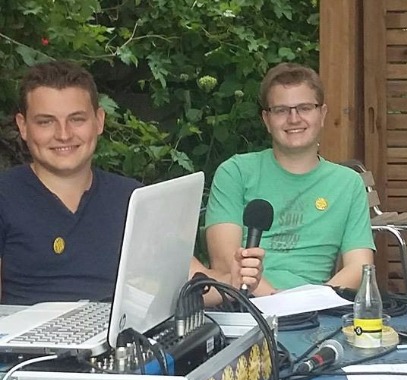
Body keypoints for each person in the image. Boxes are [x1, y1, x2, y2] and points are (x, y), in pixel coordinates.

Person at [0, 60, 263, 306]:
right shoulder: (5, 197)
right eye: (46, 122)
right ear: (23, 126)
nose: (63, 134)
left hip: (122, 338)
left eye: (76, 119)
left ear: (99, 121)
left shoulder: (132, 197)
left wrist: (234, 280)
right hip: (26, 340)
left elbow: (190, 283)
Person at [205, 63, 375, 295]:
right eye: (281, 110)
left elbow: (359, 267)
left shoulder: (348, 183)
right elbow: (226, 265)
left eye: (305, 108)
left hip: (316, 307)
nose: (294, 119)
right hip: (245, 302)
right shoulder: (235, 172)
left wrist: (312, 302)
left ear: (322, 114)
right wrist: (276, 301)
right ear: (266, 119)